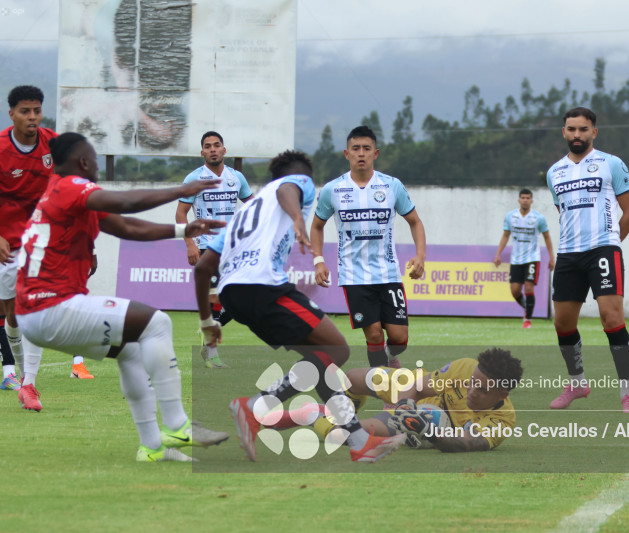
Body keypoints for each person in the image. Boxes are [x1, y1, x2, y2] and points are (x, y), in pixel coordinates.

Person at [15, 132, 229, 461]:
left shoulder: (67, 195)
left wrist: (183, 230)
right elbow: (126, 202)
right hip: (51, 306)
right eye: (95, 159)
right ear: (83, 162)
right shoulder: (71, 186)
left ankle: (153, 447)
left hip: (37, 312)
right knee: (157, 322)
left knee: (131, 352)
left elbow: (128, 227)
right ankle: (177, 424)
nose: (98, 166)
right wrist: (182, 191)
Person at [193, 149, 405, 463]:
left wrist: (207, 321)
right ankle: (255, 406)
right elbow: (286, 189)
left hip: (234, 295)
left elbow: (202, 269)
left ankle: (359, 441)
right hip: (264, 286)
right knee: (338, 350)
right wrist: (297, 219)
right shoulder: (297, 182)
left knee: (320, 363)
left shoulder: (245, 211)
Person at [0, 86, 95, 401]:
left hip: (44, 239)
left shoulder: (56, 145)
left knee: (33, 303)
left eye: (36, 110)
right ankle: (20, 373)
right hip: (6, 242)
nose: (32, 117)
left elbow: (79, 190)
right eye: (25, 111)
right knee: (12, 314)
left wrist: (87, 243)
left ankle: (28, 383)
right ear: (12, 115)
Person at [545, 107, 629, 413]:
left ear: (593, 132)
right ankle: (577, 383)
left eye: (583, 129)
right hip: (568, 255)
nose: (577, 135)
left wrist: (610, 243)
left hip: (603, 251)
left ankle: (627, 392)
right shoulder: (554, 172)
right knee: (562, 323)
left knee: (611, 318)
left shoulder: (611, 164)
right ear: (564, 132)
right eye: (571, 129)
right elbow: (565, 214)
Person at [310, 126, 426, 370]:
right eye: (355, 149)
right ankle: (381, 385)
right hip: (354, 276)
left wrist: (420, 257)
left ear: (376, 153)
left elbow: (415, 222)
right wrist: (318, 260)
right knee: (373, 333)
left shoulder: (391, 186)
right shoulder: (333, 189)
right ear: (346, 154)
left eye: (366, 148)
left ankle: (387, 356)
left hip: (388, 273)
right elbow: (317, 226)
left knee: (399, 339)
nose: (361, 153)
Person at [273, 348, 523, 453]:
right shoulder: (466, 367)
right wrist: (404, 407)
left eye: (481, 389)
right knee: (352, 379)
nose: (472, 390)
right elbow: (417, 387)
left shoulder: (501, 421)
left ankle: (313, 414)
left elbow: (465, 444)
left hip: (423, 424)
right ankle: (336, 411)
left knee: (344, 436)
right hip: (413, 394)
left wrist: (426, 430)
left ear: (503, 394)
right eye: (472, 382)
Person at [175, 131, 253, 369]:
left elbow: (251, 206)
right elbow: (181, 213)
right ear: (202, 153)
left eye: (216, 145)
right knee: (214, 298)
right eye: (207, 146)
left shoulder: (236, 177)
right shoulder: (194, 178)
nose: (212, 149)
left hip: (234, 248)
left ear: (224, 150)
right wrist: (189, 243)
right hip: (208, 247)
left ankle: (208, 329)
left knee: (241, 302)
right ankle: (212, 354)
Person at [493, 188, 555, 329]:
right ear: (519, 200)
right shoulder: (510, 216)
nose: (525, 200)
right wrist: (498, 254)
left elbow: (547, 237)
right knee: (515, 291)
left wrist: (552, 257)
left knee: (528, 287)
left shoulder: (538, 218)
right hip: (516, 259)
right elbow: (505, 235)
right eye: (523, 197)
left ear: (532, 200)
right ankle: (528, 308)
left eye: (528, 198)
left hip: (532, 258)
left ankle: (527, 320)